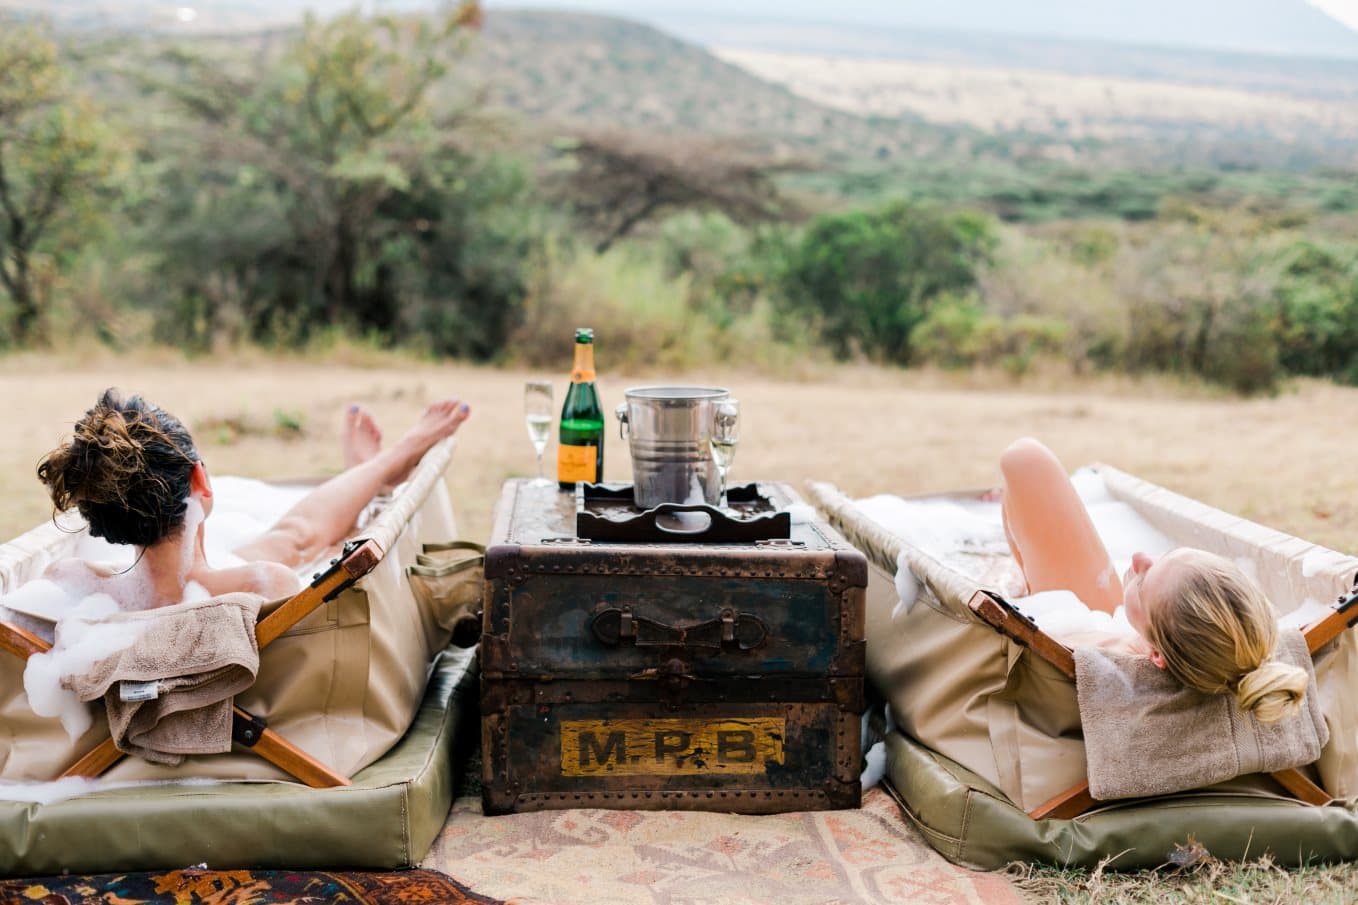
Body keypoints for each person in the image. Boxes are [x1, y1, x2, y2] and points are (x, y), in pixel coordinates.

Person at [34, 389, 470, 611]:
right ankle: (381, 472)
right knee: (296, 541)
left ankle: (369, 473)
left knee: (288, 539)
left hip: (180, 579)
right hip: (216, 578)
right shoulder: (267, 586)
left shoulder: (69, 581)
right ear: (201, 480)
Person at [999, 436, 1309, 724]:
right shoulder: (1233, 652)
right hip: (1112, 618)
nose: (1138, 558)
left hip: (1092, 618)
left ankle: (1017, 572)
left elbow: (1022, 456)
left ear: (1156, 656)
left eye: (1144, 583)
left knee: (1026, 459)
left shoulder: (1093, 644)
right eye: (1164, 557)